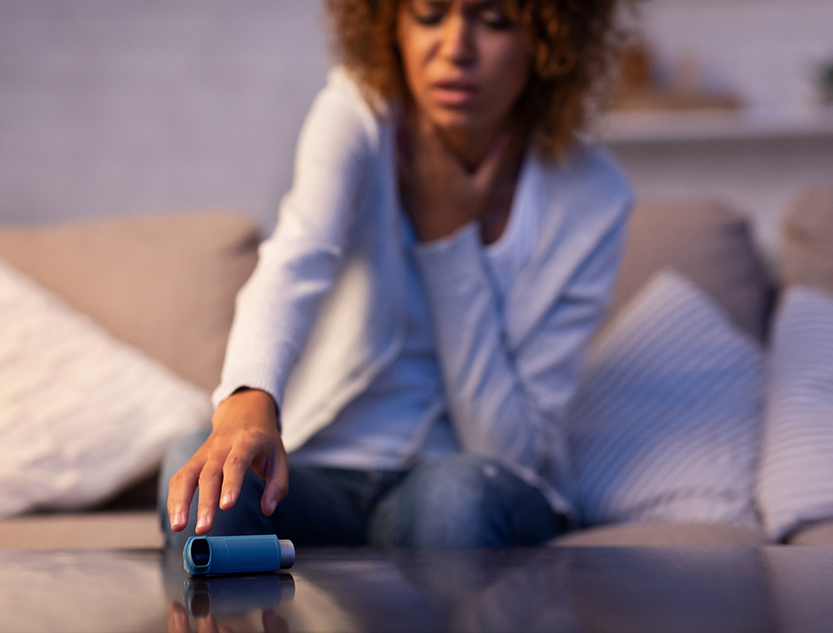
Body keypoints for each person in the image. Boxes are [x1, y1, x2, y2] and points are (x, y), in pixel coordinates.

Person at [161, 0, 632, 550]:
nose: (455, 49)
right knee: (197, 472)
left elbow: (505, 451)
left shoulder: (594, 197)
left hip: (467, 479)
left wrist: (447, 241)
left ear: (550, 42)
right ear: (391, 30)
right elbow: (296, 258)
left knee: (453, 503)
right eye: (430, 15)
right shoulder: (357, 114)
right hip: (320, 475)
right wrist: (247, 398)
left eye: (496, 20)